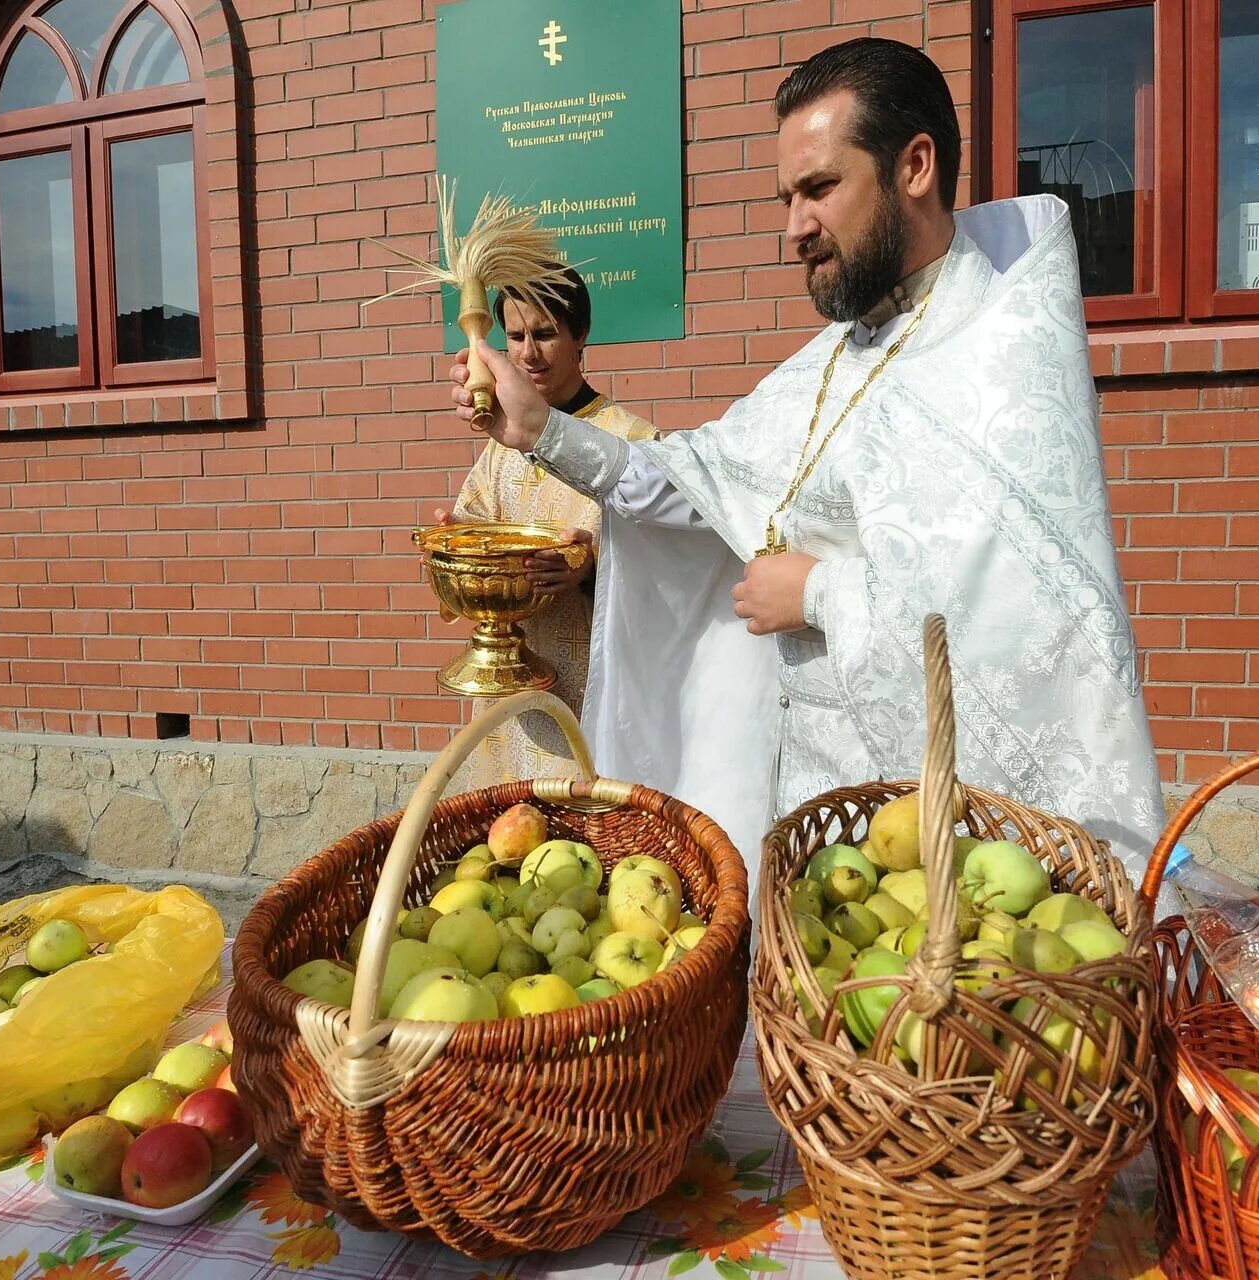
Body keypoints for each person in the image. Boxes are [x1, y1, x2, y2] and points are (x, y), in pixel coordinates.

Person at [448, 38, 1164, 875]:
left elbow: (1035, 618)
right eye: (787, 197)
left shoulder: (999, 353)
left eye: (820, 188)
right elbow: (694, 482)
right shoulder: (833, 358)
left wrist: (820, 589)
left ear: (916, 166)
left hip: (941, 838)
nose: (795, 227)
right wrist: (540, 429)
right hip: (811, 815)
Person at [435, 266, 654, 790]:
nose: (529, 353)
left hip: (588, 693)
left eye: (546, 333)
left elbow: (667, 571)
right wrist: (456, 541)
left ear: (580, 335)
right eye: (515, 336)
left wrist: (592, 569)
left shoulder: (633, 441)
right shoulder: (501, 444)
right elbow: (480, 524)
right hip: (505, 694)